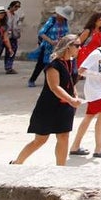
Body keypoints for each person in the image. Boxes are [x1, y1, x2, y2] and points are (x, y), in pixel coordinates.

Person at [12, 35, 85, 165]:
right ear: (68, 47)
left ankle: (60, 168)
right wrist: (70, 100)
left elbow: (71, 81)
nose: (80, 48)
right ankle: (18, 162)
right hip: (49, 107)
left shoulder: (72, 62)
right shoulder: (54, 65)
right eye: (77, 45)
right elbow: (54, 87)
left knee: (63, 136)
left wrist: (75, 95)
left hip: (65, 107)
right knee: (41, 139)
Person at [29, 6, 73, 88]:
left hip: (58, 48)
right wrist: (51, 41)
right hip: (47, 47)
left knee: (54, 65)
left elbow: (66, 33)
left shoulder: (65, 22)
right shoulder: (52, 21)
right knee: (40, 64)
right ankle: (32, 80)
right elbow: (41, 33)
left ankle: (50, 81)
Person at [4, 0, 23, 74]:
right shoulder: (5, 14)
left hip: (13, 36)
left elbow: (17, 25)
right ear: (11, 6)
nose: (17, 8)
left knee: (12, 52)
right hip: (4, 35)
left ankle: (9, 67)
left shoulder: (16, 16)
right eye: (16, 6)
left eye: (18, 7)